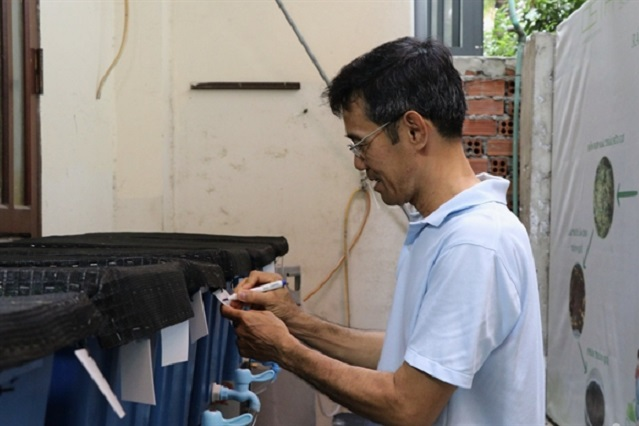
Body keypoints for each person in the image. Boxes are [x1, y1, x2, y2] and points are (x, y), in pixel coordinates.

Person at [221, 37, 545, 426]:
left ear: (414, 131)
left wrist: (285, 350)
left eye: (362, 143)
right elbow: (411, 356)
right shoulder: (439, 230)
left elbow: (408, 406)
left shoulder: (475, 243)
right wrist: (295, 321)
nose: (359, 163)